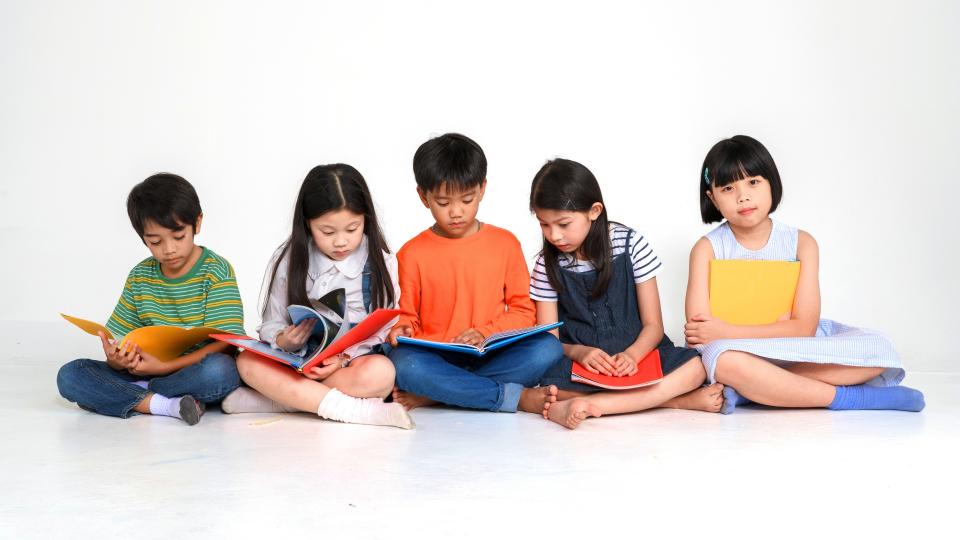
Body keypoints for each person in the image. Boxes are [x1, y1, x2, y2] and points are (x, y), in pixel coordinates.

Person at [685, 135, 924, 413]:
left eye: (753, 182)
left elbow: (804, 328)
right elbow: (701, 335)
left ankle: (755, 390)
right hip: (738, 355)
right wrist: (777, 328)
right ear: (712, 198)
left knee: (879, 349)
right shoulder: (707, 248)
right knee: (722, 361)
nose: (743, 196)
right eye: (728, 188)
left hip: (796, 349)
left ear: (771, 182)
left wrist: (728, 329)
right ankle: (853, 398)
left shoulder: (802, 243)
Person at [530, 158, 723, 429]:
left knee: (697, 367)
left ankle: (595, 405)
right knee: (551, 388)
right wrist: (580, 352)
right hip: (587, 362)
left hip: (639, 350)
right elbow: (549, 341)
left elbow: (654, 326)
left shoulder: (630, 244)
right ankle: (673, 400)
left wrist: (633, 355)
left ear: (594, 211)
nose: (555, 236)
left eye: (563, 224)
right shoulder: (545, 265)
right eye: (544, 225)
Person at [224, 164, 413, 429]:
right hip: (299, 362)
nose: (340, 242)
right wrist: (284, 339)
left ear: (366, 220)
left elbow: (384, 326)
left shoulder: (381, 262)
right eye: (327, 232)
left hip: (350, 364)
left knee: (382, 374)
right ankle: (354, 410)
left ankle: (281, 400)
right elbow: (271, 322)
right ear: (307, 224)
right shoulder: (290, 259)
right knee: (246, 360)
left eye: (352, 229)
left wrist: (342, 359)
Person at [388, 133, 564, 414]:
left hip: (491, 354)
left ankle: (439, 394)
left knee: (548, 349)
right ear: (423, 196)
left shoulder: (505, 243)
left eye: (467, 200)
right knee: (403, 364)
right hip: (436, 357)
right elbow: (405, 315)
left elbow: (523, 311)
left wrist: (484, 333)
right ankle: (513, 398)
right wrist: (402, 328)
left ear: (482, 189)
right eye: (443, 203)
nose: (456, 212)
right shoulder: (411, 253)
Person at [57, 173, 244, 425]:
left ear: (197, 223)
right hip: (142, 371)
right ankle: (165, 405)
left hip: (193, 371)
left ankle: (132, 395)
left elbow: (227, 343)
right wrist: (116, 361)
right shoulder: (140, 276)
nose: (169, 249)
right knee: (70, 375)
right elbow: (121, 337)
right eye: (155, 242)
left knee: (222, 370)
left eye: (178, 236)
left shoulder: (216, 271)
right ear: (143, 238)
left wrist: (161, 369)